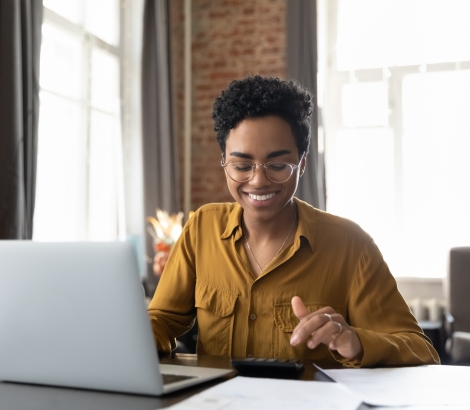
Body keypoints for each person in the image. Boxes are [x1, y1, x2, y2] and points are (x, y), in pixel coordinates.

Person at [147, 75, 439, 367]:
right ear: (224, 162)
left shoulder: (351, 246)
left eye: (277, 165)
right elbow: (161, 320)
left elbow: (421, 351)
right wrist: (137, 334)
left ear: (301, 164)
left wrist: (356, 341)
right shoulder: (202, 228)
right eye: (242, 165)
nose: (258, 181)